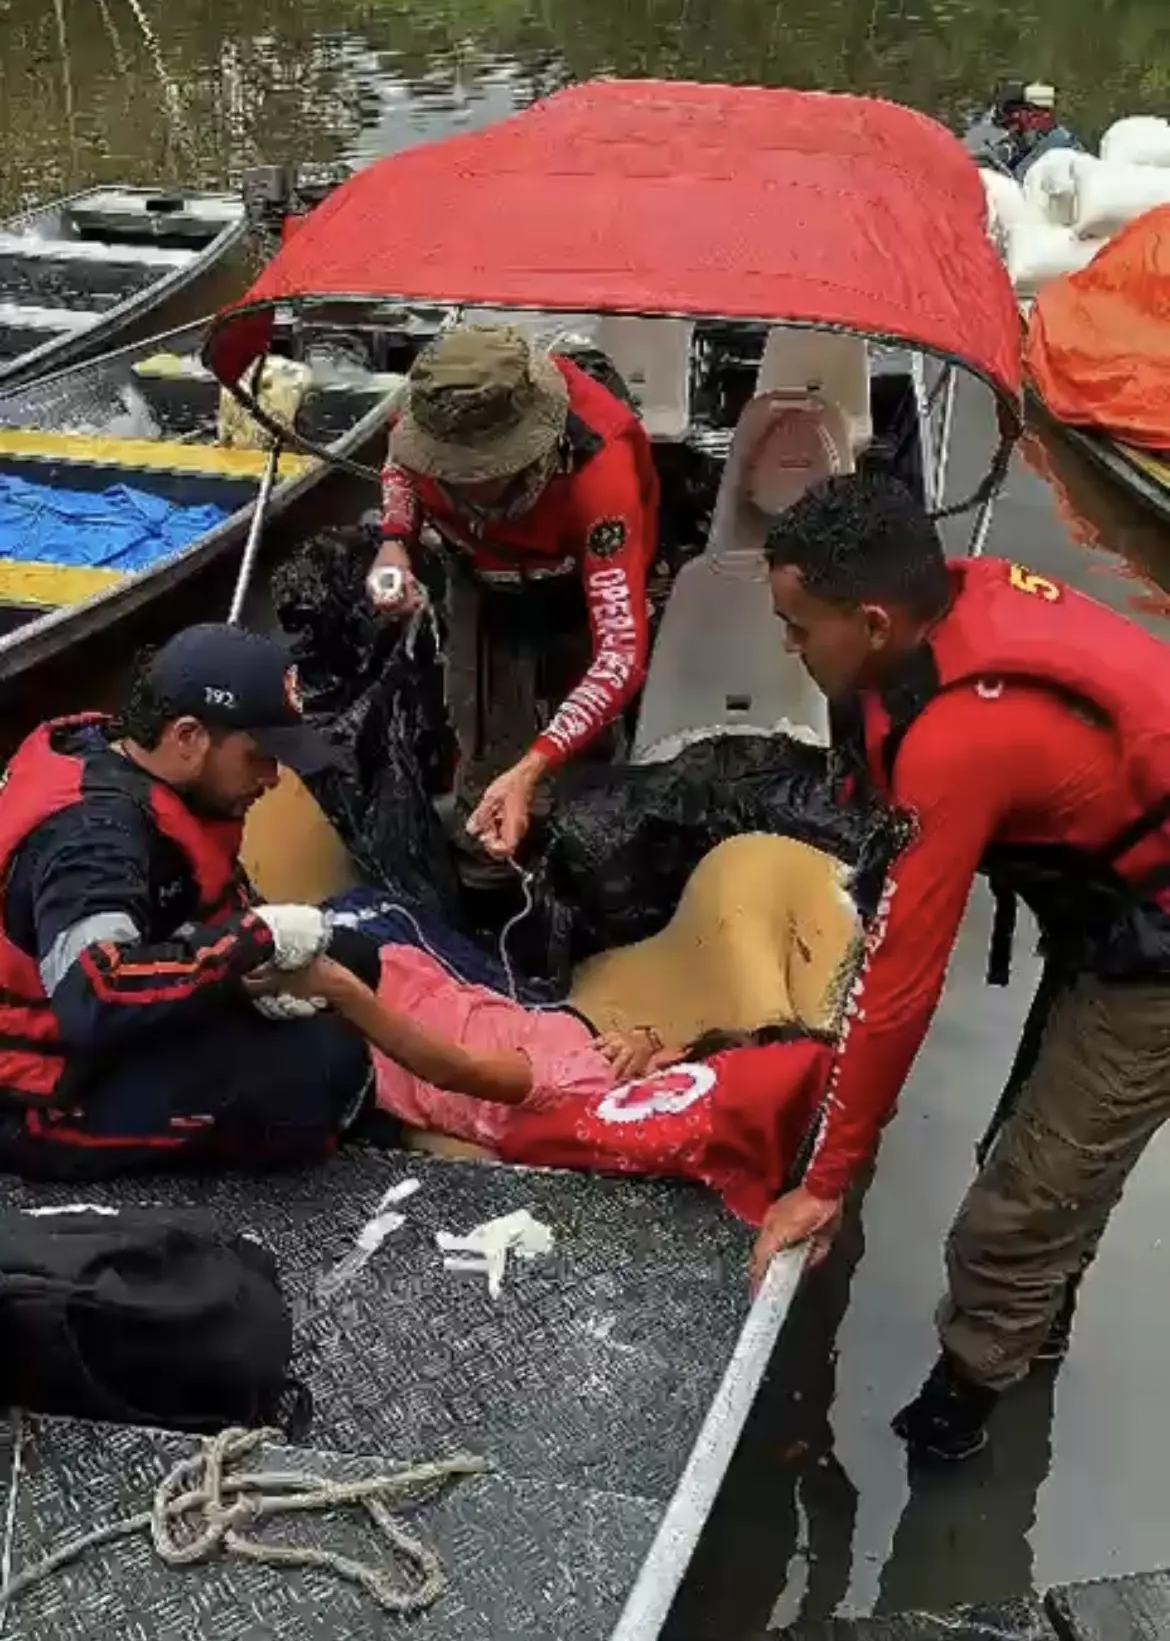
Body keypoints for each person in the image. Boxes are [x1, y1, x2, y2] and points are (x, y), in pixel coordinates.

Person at [748, 472, 1170, 1462]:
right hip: (1118, 893)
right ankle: (1036, 1323)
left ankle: (965, 1405)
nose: (789, 648)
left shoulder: (961, 739)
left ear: (875, 623)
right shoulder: (940, 616)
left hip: (1156, 941)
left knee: (1019, 1204)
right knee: (1026, 1147)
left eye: (800, 628)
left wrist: (825, 1180)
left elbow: (900, 987)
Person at [0, 623, 385, 1180]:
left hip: (117, 1020)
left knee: (353, 958)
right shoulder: (93, 839)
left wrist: (254, 969)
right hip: (44, 1088)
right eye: (258, 756)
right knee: (321, 1071)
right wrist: (253, 939)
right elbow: (95, 995)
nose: (273, 779)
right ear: (187, 737)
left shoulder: (144, 770)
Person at [247, 948, 834, 1224]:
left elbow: (454, 1070)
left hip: (379, 1025)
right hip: (419, 987)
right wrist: (646, 1038)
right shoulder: (617, 1074)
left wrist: (345, 993)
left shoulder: (584, 1083)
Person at [369, 323, 660, 859]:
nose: (461, 481)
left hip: (575, 592)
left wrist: (535, 764)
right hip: (480, 580)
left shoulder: (600, 470)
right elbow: (399, 468)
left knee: (580, 771)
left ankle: (571, 858)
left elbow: (619, 655)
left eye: (479, 471)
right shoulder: (427, 413)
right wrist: (395, 541)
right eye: (447, 467)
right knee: (479, 729)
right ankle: (485, 859)